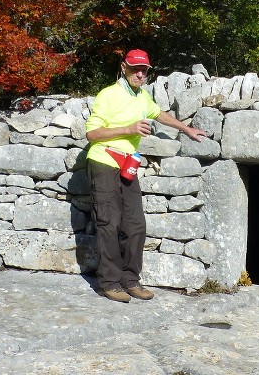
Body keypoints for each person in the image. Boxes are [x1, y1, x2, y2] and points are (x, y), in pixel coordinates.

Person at [85, 49, 206, 302]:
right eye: (134, 69)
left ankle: (131, 280)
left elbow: (158, 114)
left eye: (144, 70)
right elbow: (92, 134)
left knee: (136, 224)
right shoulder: (108, 95)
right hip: (104, 160)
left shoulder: (142, 96)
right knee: (109, 223)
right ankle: (110, 283)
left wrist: (186, 129)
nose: (140, 74)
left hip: (128, 164)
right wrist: (129, 128)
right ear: (123, 68)